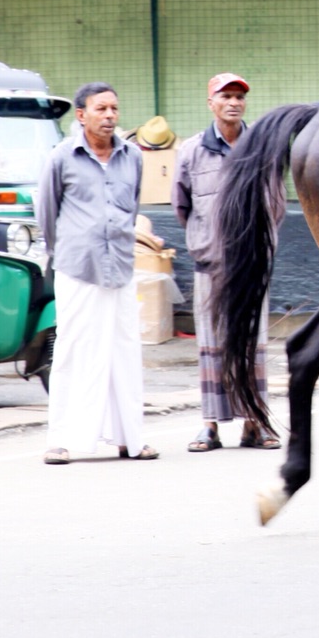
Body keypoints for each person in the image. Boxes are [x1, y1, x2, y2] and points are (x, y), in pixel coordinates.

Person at [36, 83, 156, 464]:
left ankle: (130, 440)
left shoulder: (132, 157)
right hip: (77, 267)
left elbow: (132, 207)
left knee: (124, 350)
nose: (109, 116)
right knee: (73, 349)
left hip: (120, 266)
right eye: (101, 109)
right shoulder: (61, 157)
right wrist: (66, 252)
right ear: (81, 115)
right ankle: (62, 440)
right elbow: (46, 215)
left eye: (114, 109)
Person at [173, 72, 280, 452]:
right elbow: (182, 205)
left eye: (239, 97)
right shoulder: (191, 151)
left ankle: (256, 423)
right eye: (226, 96)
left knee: (253, 344)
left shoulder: (261, 149)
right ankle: (210, 426)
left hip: (251, 264)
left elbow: (276, 205)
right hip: (211, 263)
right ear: (211, 104)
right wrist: (206, 242)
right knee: (212, 346)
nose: (234, 103)